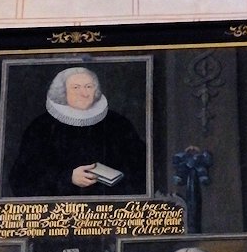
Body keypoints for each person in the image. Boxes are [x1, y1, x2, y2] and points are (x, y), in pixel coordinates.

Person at [8, 66, 146, 197]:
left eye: (88, 87)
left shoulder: (118, 123)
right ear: (62, 92)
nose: (84, 93)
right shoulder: (42, 126)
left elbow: (142, 170)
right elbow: (22, 179)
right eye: (76, 87)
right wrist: (68, 178)